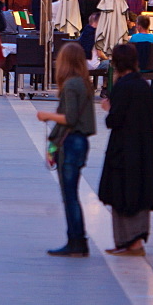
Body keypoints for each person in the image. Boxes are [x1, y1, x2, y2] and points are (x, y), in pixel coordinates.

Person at [99, 43, 153, 256]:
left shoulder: (123, 87)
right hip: (145, 150)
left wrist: (109, 108)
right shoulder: (142, 84)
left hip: (124, 150)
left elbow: (114, 120)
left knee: (123, 195)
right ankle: (134, 240)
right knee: (139, 193)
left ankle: (130, 241)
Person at [36, 42, 96, 257]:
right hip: (80, 141)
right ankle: (77, 240)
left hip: (71, 142)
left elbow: (69, 118)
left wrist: (47, 115)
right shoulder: (84, 83)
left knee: (69, 196)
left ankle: (77, 241)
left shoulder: (71, 85)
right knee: (71, 194)